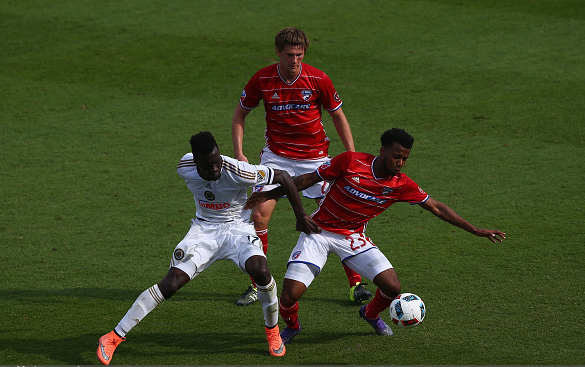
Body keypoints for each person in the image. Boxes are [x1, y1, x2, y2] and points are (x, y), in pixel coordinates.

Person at [245, 128, 506, 344]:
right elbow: (305, 181)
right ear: (382, 151)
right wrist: (268, 194)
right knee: (290, 294)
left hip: (352, 237)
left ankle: (369, 314)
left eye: (404, 159)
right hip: (318, 233)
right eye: (396, 157)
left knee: (393, 287)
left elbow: (437, 208)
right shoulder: (350, 162)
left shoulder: (401, 185)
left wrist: (475, 229)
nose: (400, 163)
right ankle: (292, 327)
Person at [96, 131, 320, 364]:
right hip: (203, 230)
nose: (215, 169)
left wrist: (301, 216)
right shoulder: (184, 166)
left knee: (261, 271)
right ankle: (113, 337)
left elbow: (284, 177)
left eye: (217, 162)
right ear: (195, 162)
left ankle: (272, 331)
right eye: (208, 165)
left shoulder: (237, 171)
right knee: (171, 283)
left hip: (237, 229)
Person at [232, 27, 371, 306]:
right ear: (278, 53)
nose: (295, 60)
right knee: (258, 215)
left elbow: (338, 116)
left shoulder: (318, 79)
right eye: (289, 55)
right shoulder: (263, 79)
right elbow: (240, 114)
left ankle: (357, 284)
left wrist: (352, 156)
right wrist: (240, 153)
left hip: (316, 159)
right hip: (276, 159)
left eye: (299, 55)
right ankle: (259, 286)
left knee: (344, 215)